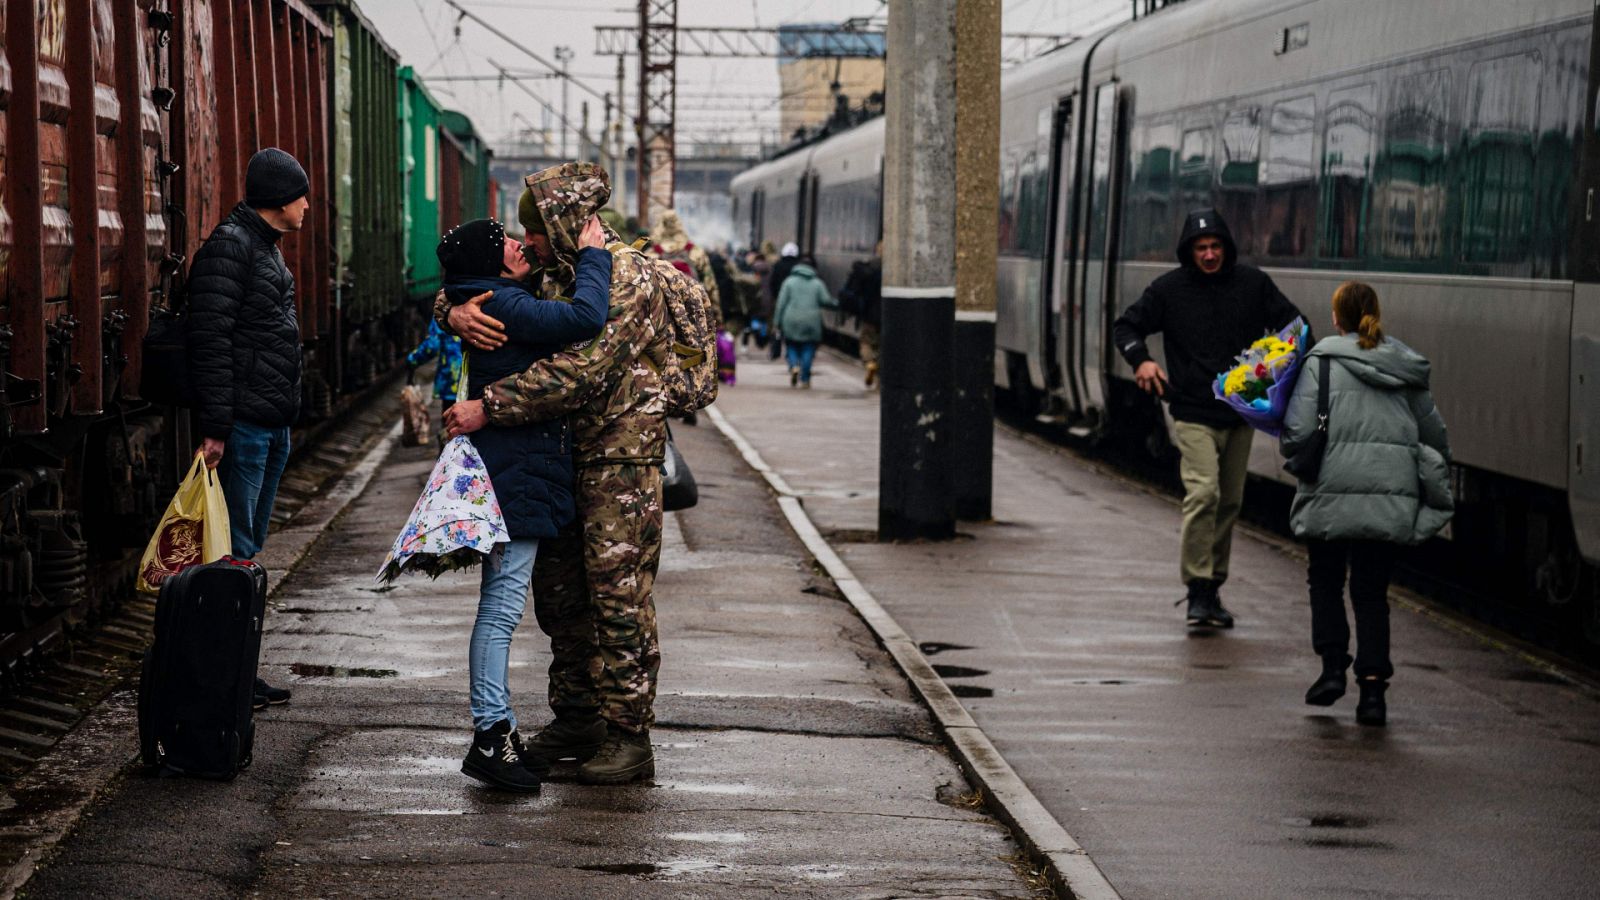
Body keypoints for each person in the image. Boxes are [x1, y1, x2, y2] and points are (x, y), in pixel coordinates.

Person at [438, 162, 677, 785]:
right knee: (562, 596)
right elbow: (477, 284)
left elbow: (580, 370)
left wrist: (487, 406)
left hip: (619, 459)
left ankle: (629, 734)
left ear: (568, 225)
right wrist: (454, 311)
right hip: (566, 456)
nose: (530, 244)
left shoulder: (621, 277)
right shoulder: (556, 271)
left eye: (537, 232)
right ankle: (578, 717)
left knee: (618, 598)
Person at [436, 216, 611, 792]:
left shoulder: (491, 299)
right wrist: (593, 256)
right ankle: (492, 735)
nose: (518, 242)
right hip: (518, 475)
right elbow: (586, 317)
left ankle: (497, 730)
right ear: (491, 265)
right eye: (505, 242)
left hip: (518, 470)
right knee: (502, 608)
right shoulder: (505, 303)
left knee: (502, 605)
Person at [1111, 208, 1305, 630]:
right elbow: (1125, 327)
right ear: (1189, 251)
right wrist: (1141, 362)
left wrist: (1265, 370)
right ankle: (1198, 586)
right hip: (1191, 411)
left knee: (1230, 501)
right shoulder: (1169, 290)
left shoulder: (1253, 284)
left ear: (1227, 248)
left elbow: (1295, 326)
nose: (1210, 255)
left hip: (1238, 415)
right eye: (1201, 248)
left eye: (1216, 246)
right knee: (1204, 494)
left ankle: (1213, 588)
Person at [1281, 281, 1451, 728]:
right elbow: (1434, 435)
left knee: (1325, 579)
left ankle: (1333, 667)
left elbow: (1299, 432)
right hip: (1388, 495)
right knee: (1372, 592)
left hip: (1329, 491)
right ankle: (1372, 692)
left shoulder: (1320, 363)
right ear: (1377, 313)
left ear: (1336, 318)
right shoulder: (1405, 366)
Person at [186, 147, 310, 711]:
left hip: (270, 422)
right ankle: (223, 679)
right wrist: (216, 427)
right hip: (243, 427)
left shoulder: (262, 247)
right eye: (302, 195)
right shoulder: (230, 249)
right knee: (232, 555)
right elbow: (209, 342)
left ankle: (238, 671)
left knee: (248, 551)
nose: (308, 206)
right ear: (281, 200)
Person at [773, 255, 836, 388]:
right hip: (812, 321)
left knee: (791, 345)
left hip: (791, 319)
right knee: (808, 348)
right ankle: (805, 378)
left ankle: (794, 365)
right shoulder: (817, 283)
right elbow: (826, 301)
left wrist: (776, 322)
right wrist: (838, 304)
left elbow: (781, 304)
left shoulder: (789, 282)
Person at [651, 209, 721, 326]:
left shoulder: (651, 255)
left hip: (660, 321)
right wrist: (717, 319)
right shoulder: (695, 252)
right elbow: (710, 287)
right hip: (693, 318)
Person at [839, 242, 883, 387]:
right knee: (884, 346)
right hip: (888, 316)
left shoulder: (868, 269)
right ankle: (879, 380)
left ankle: (870, 363)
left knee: (866, 342)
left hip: (869, 315)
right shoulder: (895, 270)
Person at [405, 319, 463, 419]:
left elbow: (432, 346)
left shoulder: (445, 309)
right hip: (474, 379)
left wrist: (413, 359)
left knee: (451, 422)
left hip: (451, 380)